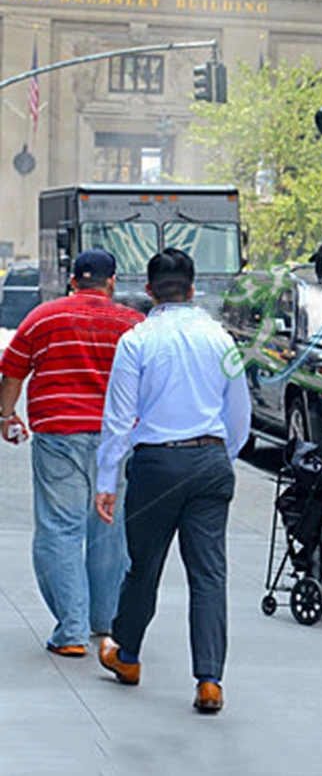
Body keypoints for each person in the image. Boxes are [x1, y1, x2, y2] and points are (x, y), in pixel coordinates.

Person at [94, 248, 251, 714]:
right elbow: (239, 416)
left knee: (143, 567)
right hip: (209, 462)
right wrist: (221, 457)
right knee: (209, 575)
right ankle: (209, 680)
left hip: (156, 466)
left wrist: (106, 478)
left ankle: (127, 654)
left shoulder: (137, 340)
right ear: (193, 288)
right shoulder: (220, 339)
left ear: (148, 291)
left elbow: (119, 420)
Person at [0, 249, 143, 657]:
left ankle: (72, 631)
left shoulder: (44, 316)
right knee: (109, 530)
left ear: (72, 280)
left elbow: (12, 371)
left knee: (60, 529)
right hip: (116, 442)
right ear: (111, 281)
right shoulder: (132, 323)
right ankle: (105, 620)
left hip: (59, 436)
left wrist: (7, 417)